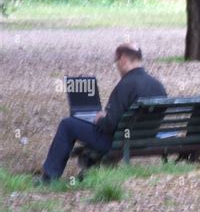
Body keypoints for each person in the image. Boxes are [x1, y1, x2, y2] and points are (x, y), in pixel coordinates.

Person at [38, 43, 167, 184]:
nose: (117, 66)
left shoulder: (125, 85)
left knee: (67, 125)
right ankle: (88, 169)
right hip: (145, 140)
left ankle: (49, 178)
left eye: (116, 61)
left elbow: (109, 126)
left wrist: (100, 119)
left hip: (119, 143)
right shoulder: (158, 85)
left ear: (123, 59)